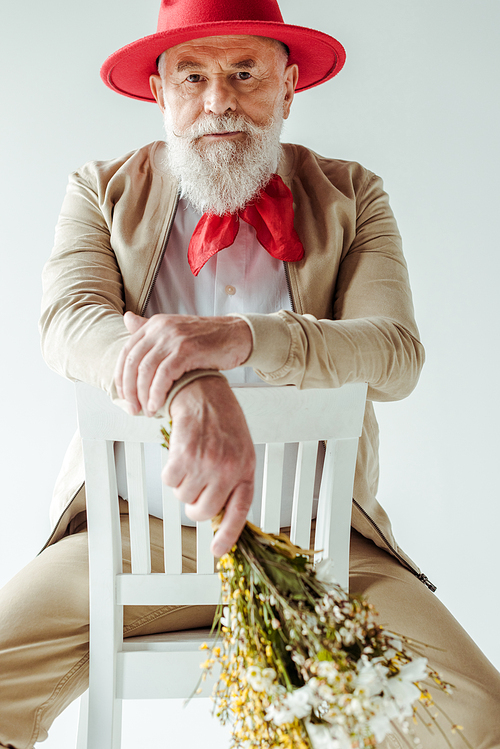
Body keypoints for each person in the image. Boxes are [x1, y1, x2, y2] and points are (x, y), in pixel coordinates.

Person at [1, 0, 499, 747]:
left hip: (325, 542)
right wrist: (188, 377)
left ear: (290, 87)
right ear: (160, 92)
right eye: (192, 75)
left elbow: (394, 353)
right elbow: (69, 325)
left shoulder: (352, 194)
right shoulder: (98, 191)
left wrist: (238, 339)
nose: (218, 101)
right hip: (135, 537)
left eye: (244, 73)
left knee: (479, 713)